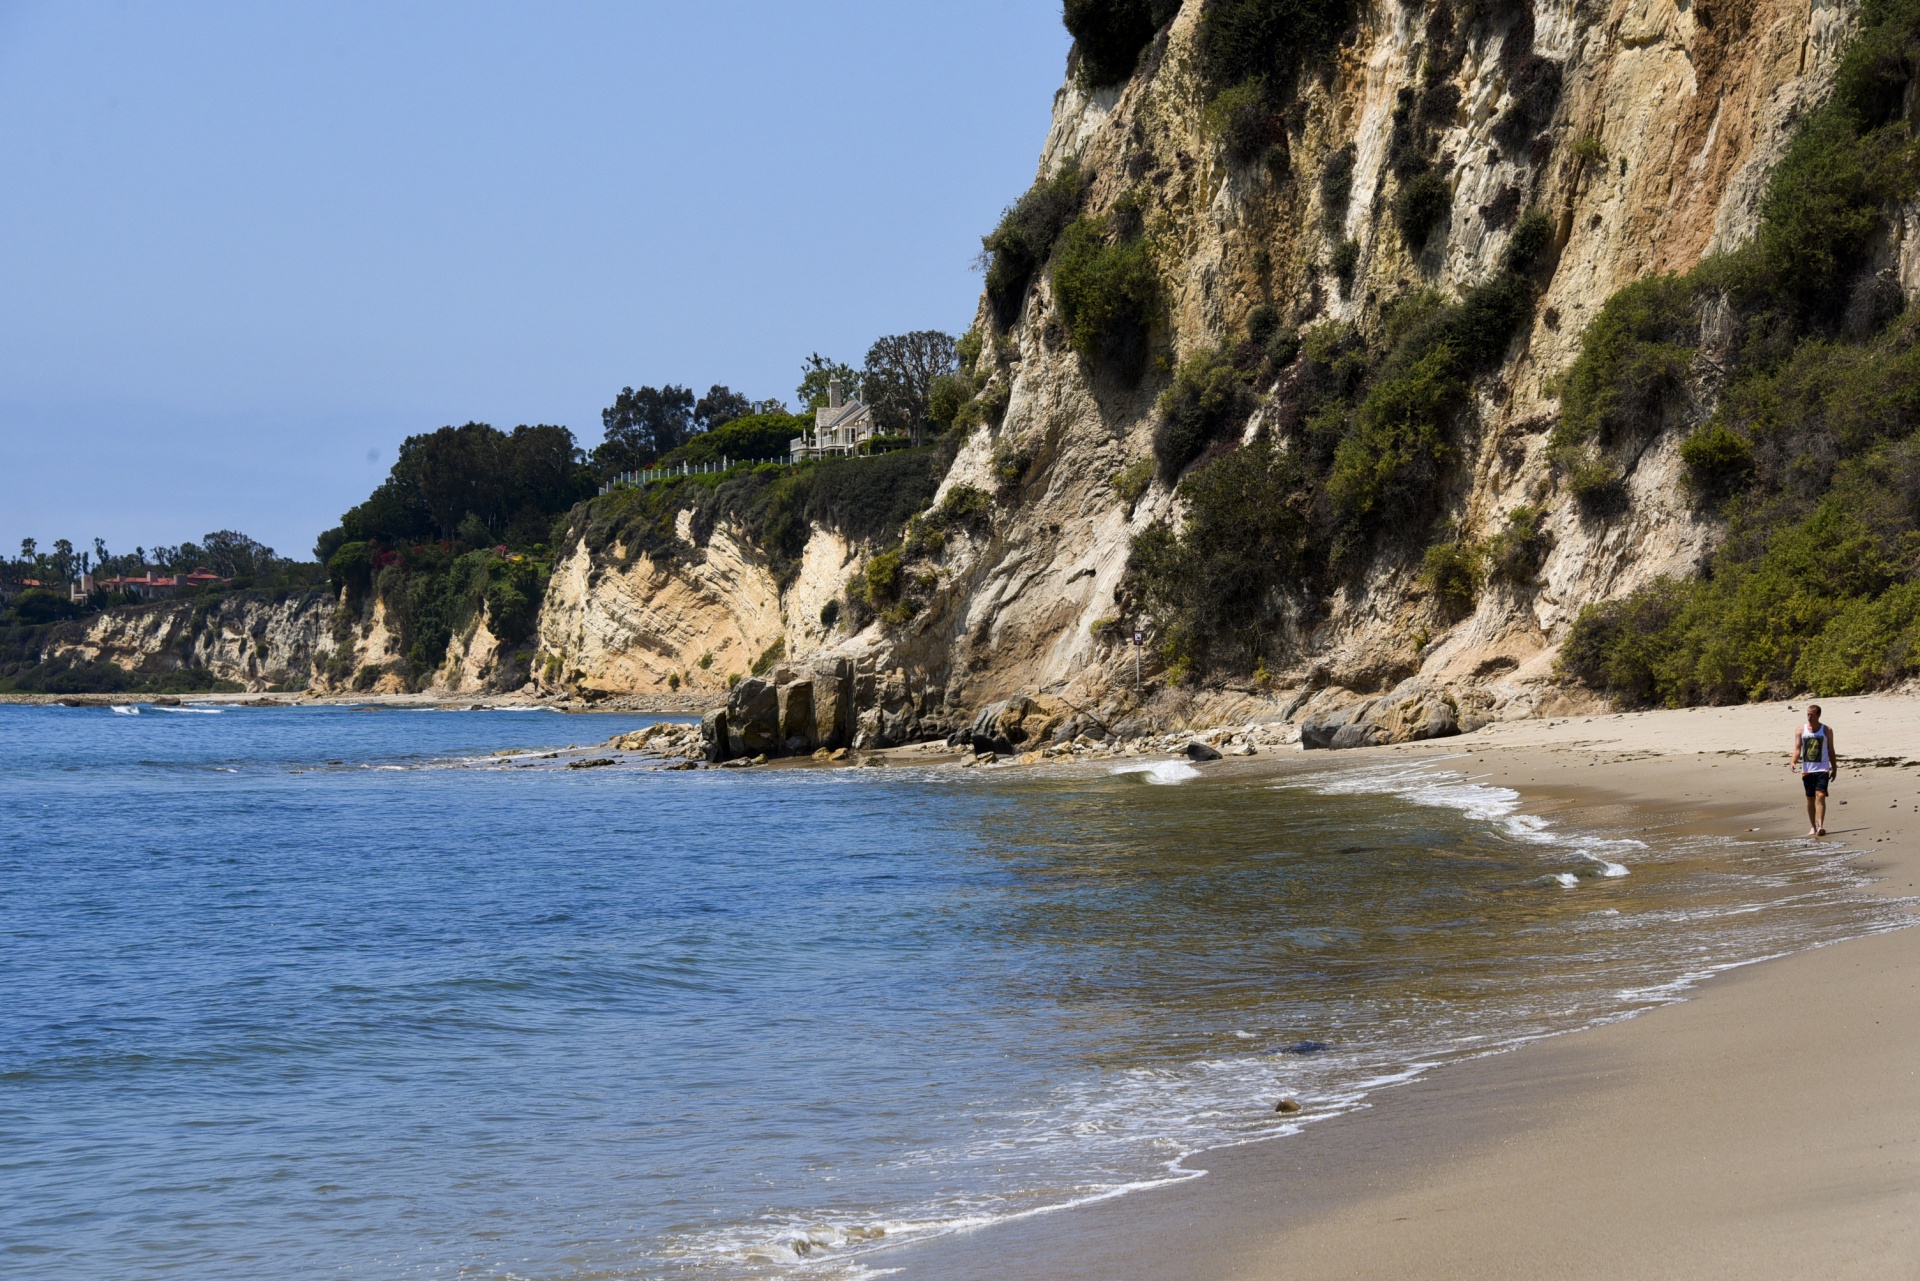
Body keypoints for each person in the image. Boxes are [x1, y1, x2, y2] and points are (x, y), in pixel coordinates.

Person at [1789, 703, 1839, 837]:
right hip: (1807, 770)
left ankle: (1821, 826)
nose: (1809, 717)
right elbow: (1797, 749)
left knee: (1821, 796)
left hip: (1822, 769)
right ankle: (1812, 827)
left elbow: (1831, 750)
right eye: (1807, 714)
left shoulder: (1826, 730)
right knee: (1810, 799)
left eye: (1812, 714)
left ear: (1818, 715)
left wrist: (1834, 767)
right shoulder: (1801, 730)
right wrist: (1793, 761)